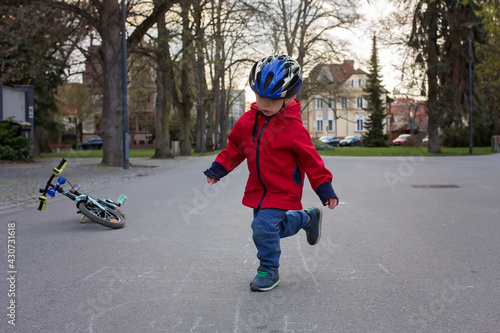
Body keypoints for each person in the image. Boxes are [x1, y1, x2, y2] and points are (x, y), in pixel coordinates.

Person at [204, 55, 338, 292]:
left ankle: (268, 270)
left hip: (283, 189)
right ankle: (307, 218)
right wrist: (219, 169)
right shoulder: (247, 121)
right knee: (271, 228)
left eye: (272, 99)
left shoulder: (293, 128)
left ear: (290, 97)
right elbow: (235, 149)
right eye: (260, 97)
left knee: (263, 228)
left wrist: (324, 188)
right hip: (258, 189)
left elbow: (311, 160)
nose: (265, 103)